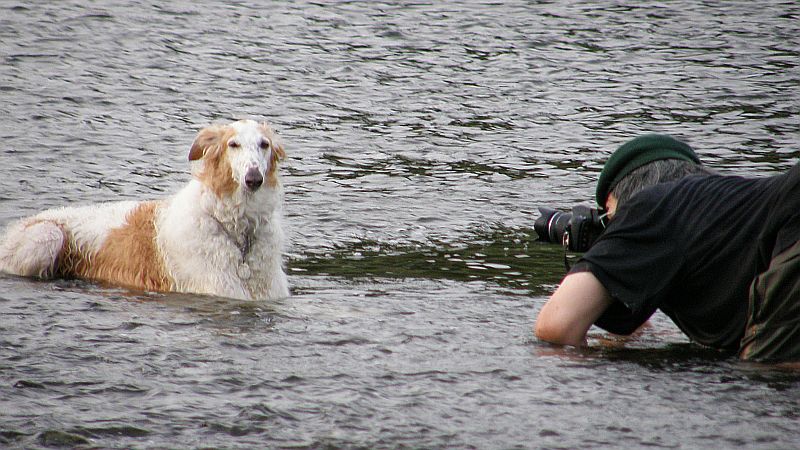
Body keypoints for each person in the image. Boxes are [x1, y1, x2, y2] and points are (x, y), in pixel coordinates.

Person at [534, 134, 800, 362]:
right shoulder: (725, 209)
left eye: (610, 220)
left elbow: (556, 327)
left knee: (767, 375)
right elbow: (637, 325)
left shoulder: (650, 205)